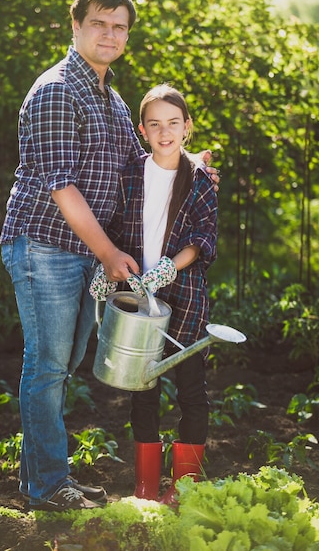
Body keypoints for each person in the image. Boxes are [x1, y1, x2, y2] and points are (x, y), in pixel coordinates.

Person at [0, 0, 219, 512]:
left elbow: (144, 164)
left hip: (82, 251)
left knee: (61, 363)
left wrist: (194, 169)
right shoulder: (57, 90)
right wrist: (106, 253)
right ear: (74, 26)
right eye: (100, 23)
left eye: (120, 26)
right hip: (46, 245)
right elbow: (59, 185)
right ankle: (49, 486)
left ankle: (43, 481)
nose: (110, 34)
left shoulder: (112, 99)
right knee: (48, 366)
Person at [90, 84, 218, 505]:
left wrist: (168, 266)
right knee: (143, 390)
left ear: (187, 128)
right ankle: (145, 486)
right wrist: (106, 268)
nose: (165, 132)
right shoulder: (130, 173)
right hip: (138, 301)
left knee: (191, 391)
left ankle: (184, 489)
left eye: (174, 123)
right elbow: (111, 226)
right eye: (155, 124)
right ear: (142, 130)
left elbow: (202, 238)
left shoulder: (200, 178)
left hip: (184, 295)